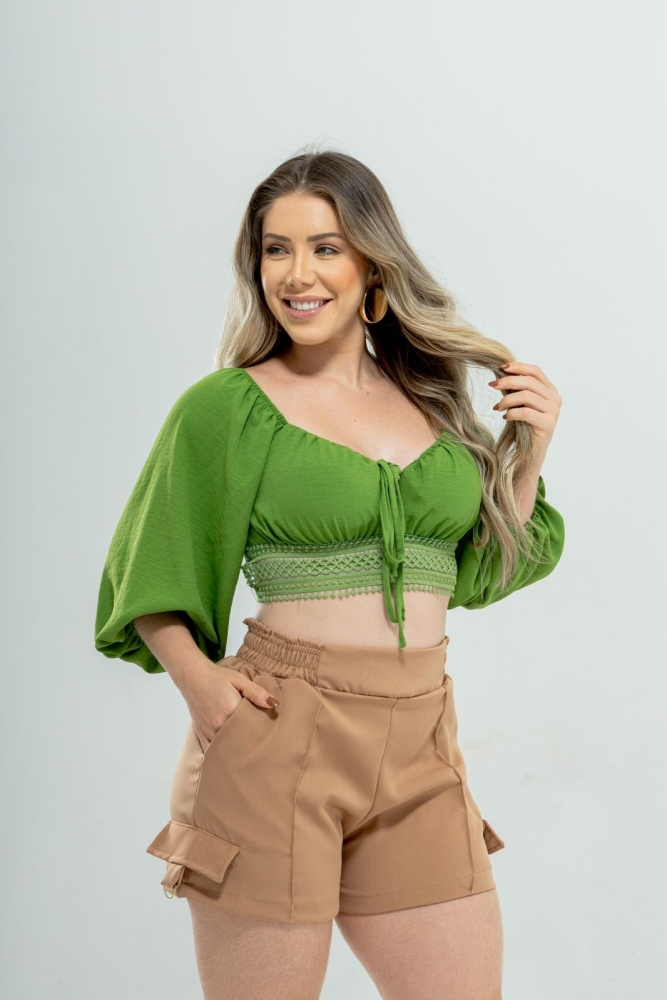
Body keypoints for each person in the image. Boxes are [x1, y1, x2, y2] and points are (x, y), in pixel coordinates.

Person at [94, 150, 564, 1000]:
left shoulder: (434, 404)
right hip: (277, 736)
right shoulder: (226, 408)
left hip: (421, 744)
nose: (296, 274)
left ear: (372, 265)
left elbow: (475, 579)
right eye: (275, 250)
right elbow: (150, 565)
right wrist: (203, 688)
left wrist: (526, 456)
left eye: (324, 248)